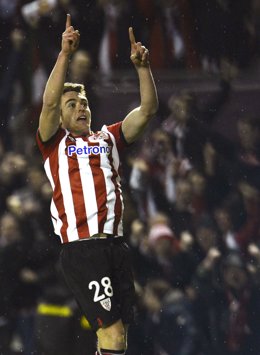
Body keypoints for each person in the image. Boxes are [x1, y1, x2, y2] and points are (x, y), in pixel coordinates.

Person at [36, 13, 158, 355]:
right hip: (82, 248)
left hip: (116, 245)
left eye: (84, 103)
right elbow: (48, 102)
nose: (80, 108)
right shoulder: (54, 143)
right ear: (60, 117)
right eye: (71, 104)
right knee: (113, 334)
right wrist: (65, 55)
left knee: (117, 337)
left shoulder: (109, 138)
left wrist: (142, 68)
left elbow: (148, 110)